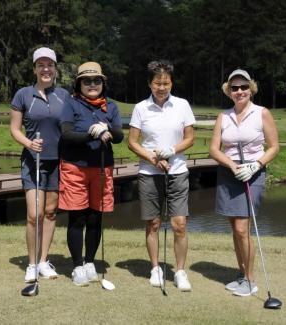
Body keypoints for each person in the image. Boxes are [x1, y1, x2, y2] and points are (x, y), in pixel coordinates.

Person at [209, 69, 280, 297]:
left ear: (251, 89)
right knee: (235, 228)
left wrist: (255, 165)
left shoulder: (262, 113)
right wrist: (231, 165)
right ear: (229, 91)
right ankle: (242, 274)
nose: (239, 91)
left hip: (253, 173)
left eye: (243, 87)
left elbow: (274, 147)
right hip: (229, 173)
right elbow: (213, 149)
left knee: (242, 228)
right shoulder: (224, 116)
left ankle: (250, 280)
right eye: (234, 88)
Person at [128, 60, 196, 291]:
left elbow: (189, 138)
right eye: (157, 83)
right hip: (149, 172)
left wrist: (172, 150)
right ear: (150, 84)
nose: (162, 87)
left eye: (166, 83)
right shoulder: (140, 108)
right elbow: (132, 142)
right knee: (154, 223)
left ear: (172, 83)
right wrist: (152, 158)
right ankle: (155, 268)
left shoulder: (182, 105)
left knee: (179, 224)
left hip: (177, 171)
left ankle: (179, 271)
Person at [59, 61, 124, 286]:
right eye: (87, 81)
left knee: (96, 217)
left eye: (96, 80)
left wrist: (107, 130)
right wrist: (91, 134)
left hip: (102, 167)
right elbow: (66, 134)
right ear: (79, 84)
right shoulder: (71, 103)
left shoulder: (111, 107)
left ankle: (89, 262)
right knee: (77, 218)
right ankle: (77, 266)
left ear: (102, 84)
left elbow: (119, 135)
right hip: (75, 167)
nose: (92, 84)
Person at [10, 47, 68, 282]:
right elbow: (14, 128)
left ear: (55, 69)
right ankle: (32, 264)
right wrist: (28, 143)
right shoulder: (23, 94)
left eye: (50, 65)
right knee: (34, 215)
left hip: (57, 162)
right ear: (34, 69)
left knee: (51, 213)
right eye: (41, 65)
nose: (46, 69)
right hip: (32, 161)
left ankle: (44, 261)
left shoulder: (64, 95)